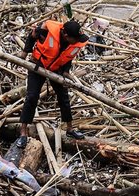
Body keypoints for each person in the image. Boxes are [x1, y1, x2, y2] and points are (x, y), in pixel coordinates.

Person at [16, 20, 88, 148]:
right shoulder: (46, 30)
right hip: (37, 66)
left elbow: (67, 58)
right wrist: (24, 53)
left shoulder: (74, 42)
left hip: (55, 70)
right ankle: (23, 132)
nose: (77, 41)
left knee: (64, 97)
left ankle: (70, 129)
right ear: (66, 35)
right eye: (74, 38)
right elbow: (31, 37)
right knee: (32, 97)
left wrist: (66, 73)